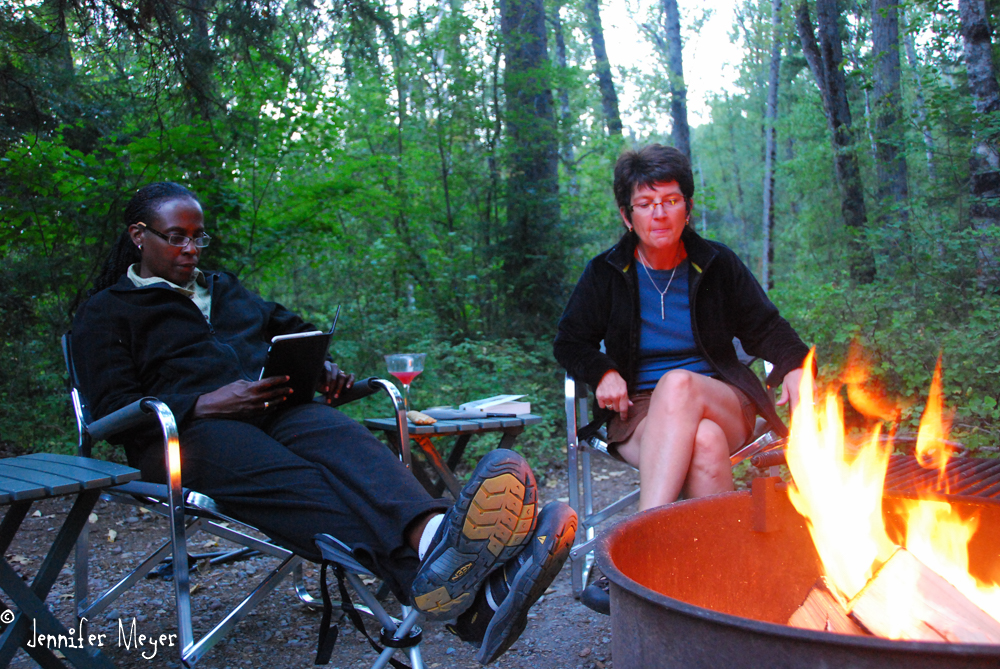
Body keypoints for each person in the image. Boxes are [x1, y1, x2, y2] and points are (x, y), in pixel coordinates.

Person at [72, 182, 577, 665]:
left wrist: (322, 366)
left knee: (346, 441)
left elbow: (294, 329)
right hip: (184, 437)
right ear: (140, 235)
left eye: (198, 236)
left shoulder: (224, 290)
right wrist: (205, 403)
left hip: (275, 410)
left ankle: (436, 539)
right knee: (304, 481)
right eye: (175, 237)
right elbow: (113, 408)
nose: (191, 249)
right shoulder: (109, 310)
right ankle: (471, 592)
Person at [553, 145, 809, 612]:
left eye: (671, 201)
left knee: (681, 384)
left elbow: (767, 328)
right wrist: (602, 370)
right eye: (646, 204)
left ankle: (640, 546)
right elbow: (569, 342)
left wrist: (793, 364)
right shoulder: (606, 273)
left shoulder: (716, 264)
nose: (659, 214)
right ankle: (721, 583)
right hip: (641, 413)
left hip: (721, 396)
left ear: (687, 208)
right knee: (705, 443)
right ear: (627, 215)